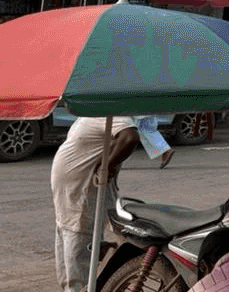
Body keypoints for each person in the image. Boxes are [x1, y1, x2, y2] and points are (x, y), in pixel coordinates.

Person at [51, 116, 173, 292]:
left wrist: (107, 165)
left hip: (83, 194)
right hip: (71, 195)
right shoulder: (94, 113)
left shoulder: (110, 113)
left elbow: (129, 137)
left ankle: (80, 288)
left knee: (77, 245)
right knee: (73, 241)